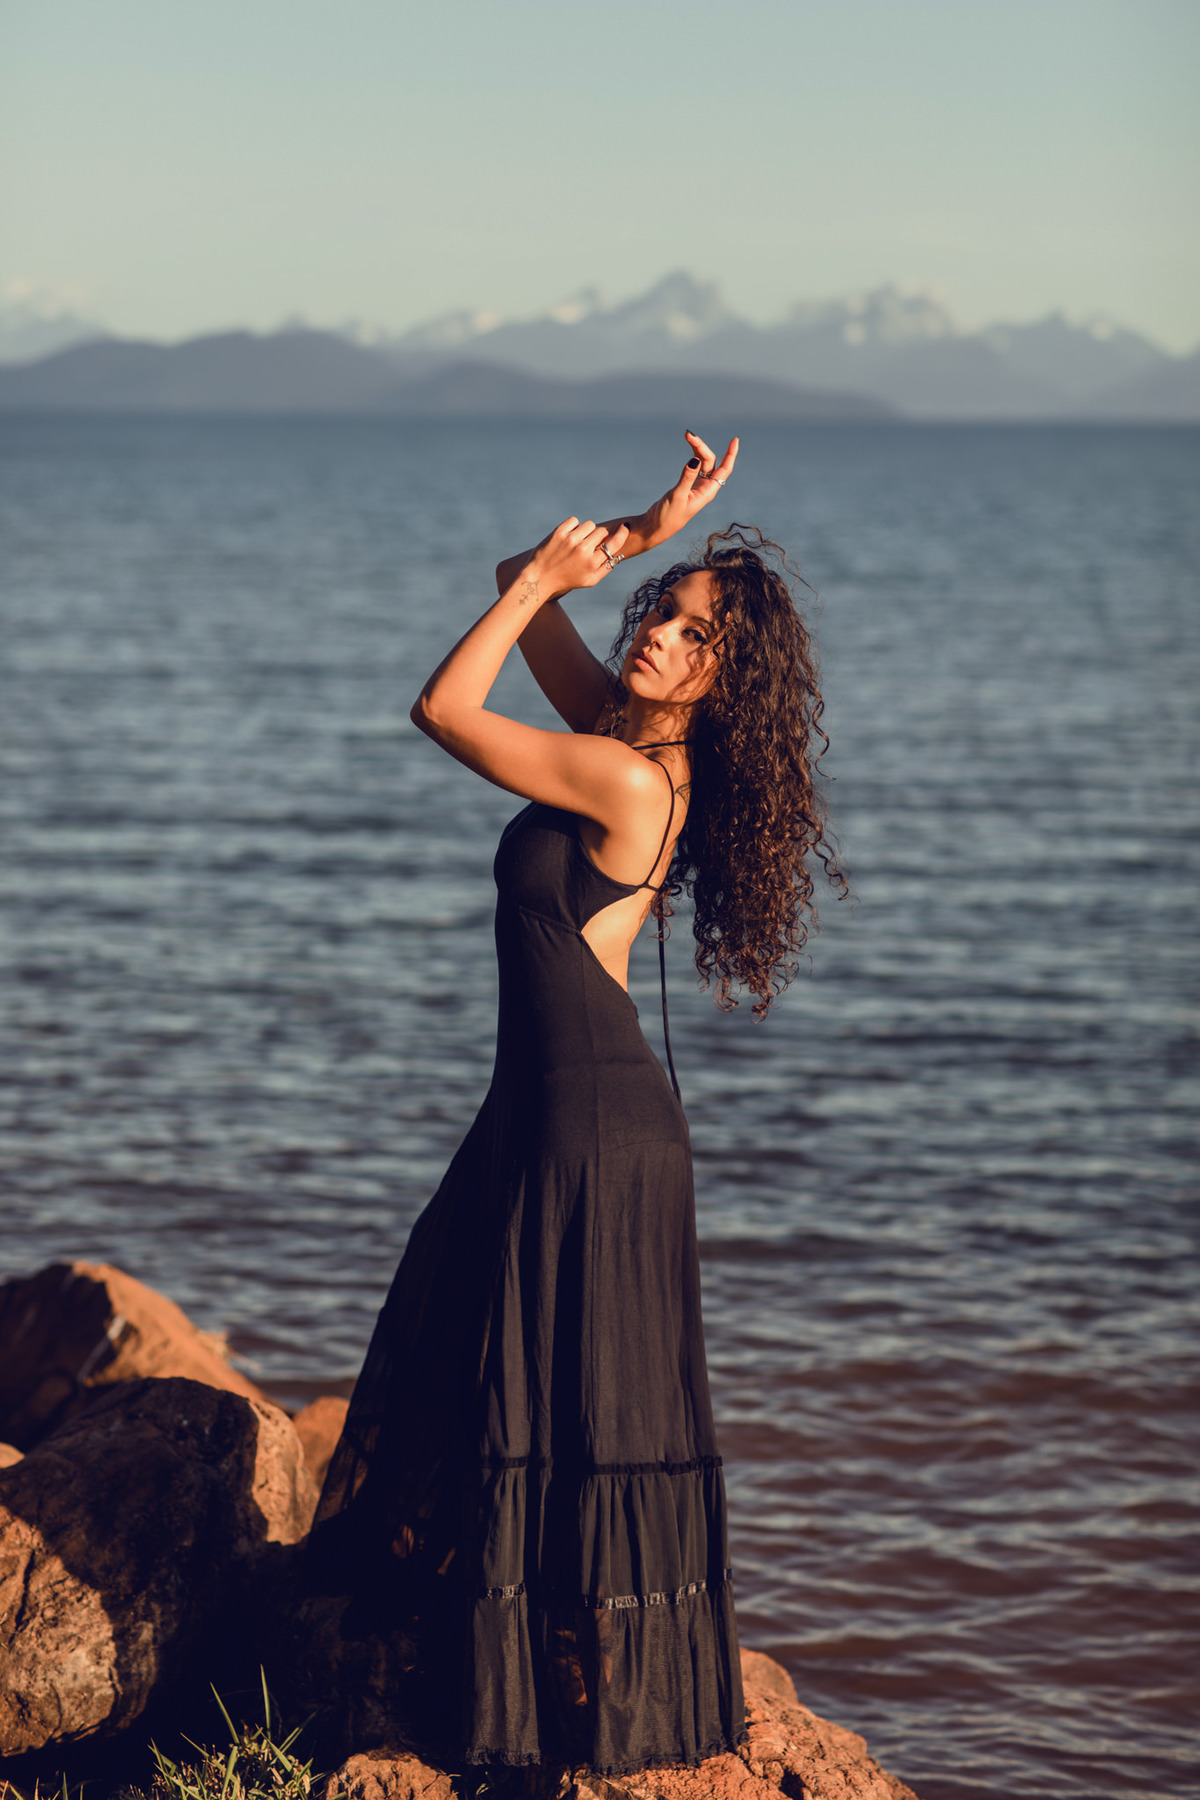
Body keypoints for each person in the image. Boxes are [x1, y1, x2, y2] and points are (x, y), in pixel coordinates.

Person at [306, 430, 845, 1781]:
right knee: (501, 1375)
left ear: (730, 684)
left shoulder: (622, 774)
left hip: (589, 1123)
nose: (659, 632)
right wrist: (635, 534)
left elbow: (445, 707)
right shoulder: (614, 730)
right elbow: (518, 576)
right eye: (659, 612)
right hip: (549, 1109)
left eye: (692, 632)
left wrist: (541, 579)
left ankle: (553, 1711)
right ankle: (508, 1677)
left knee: (556, 1402)